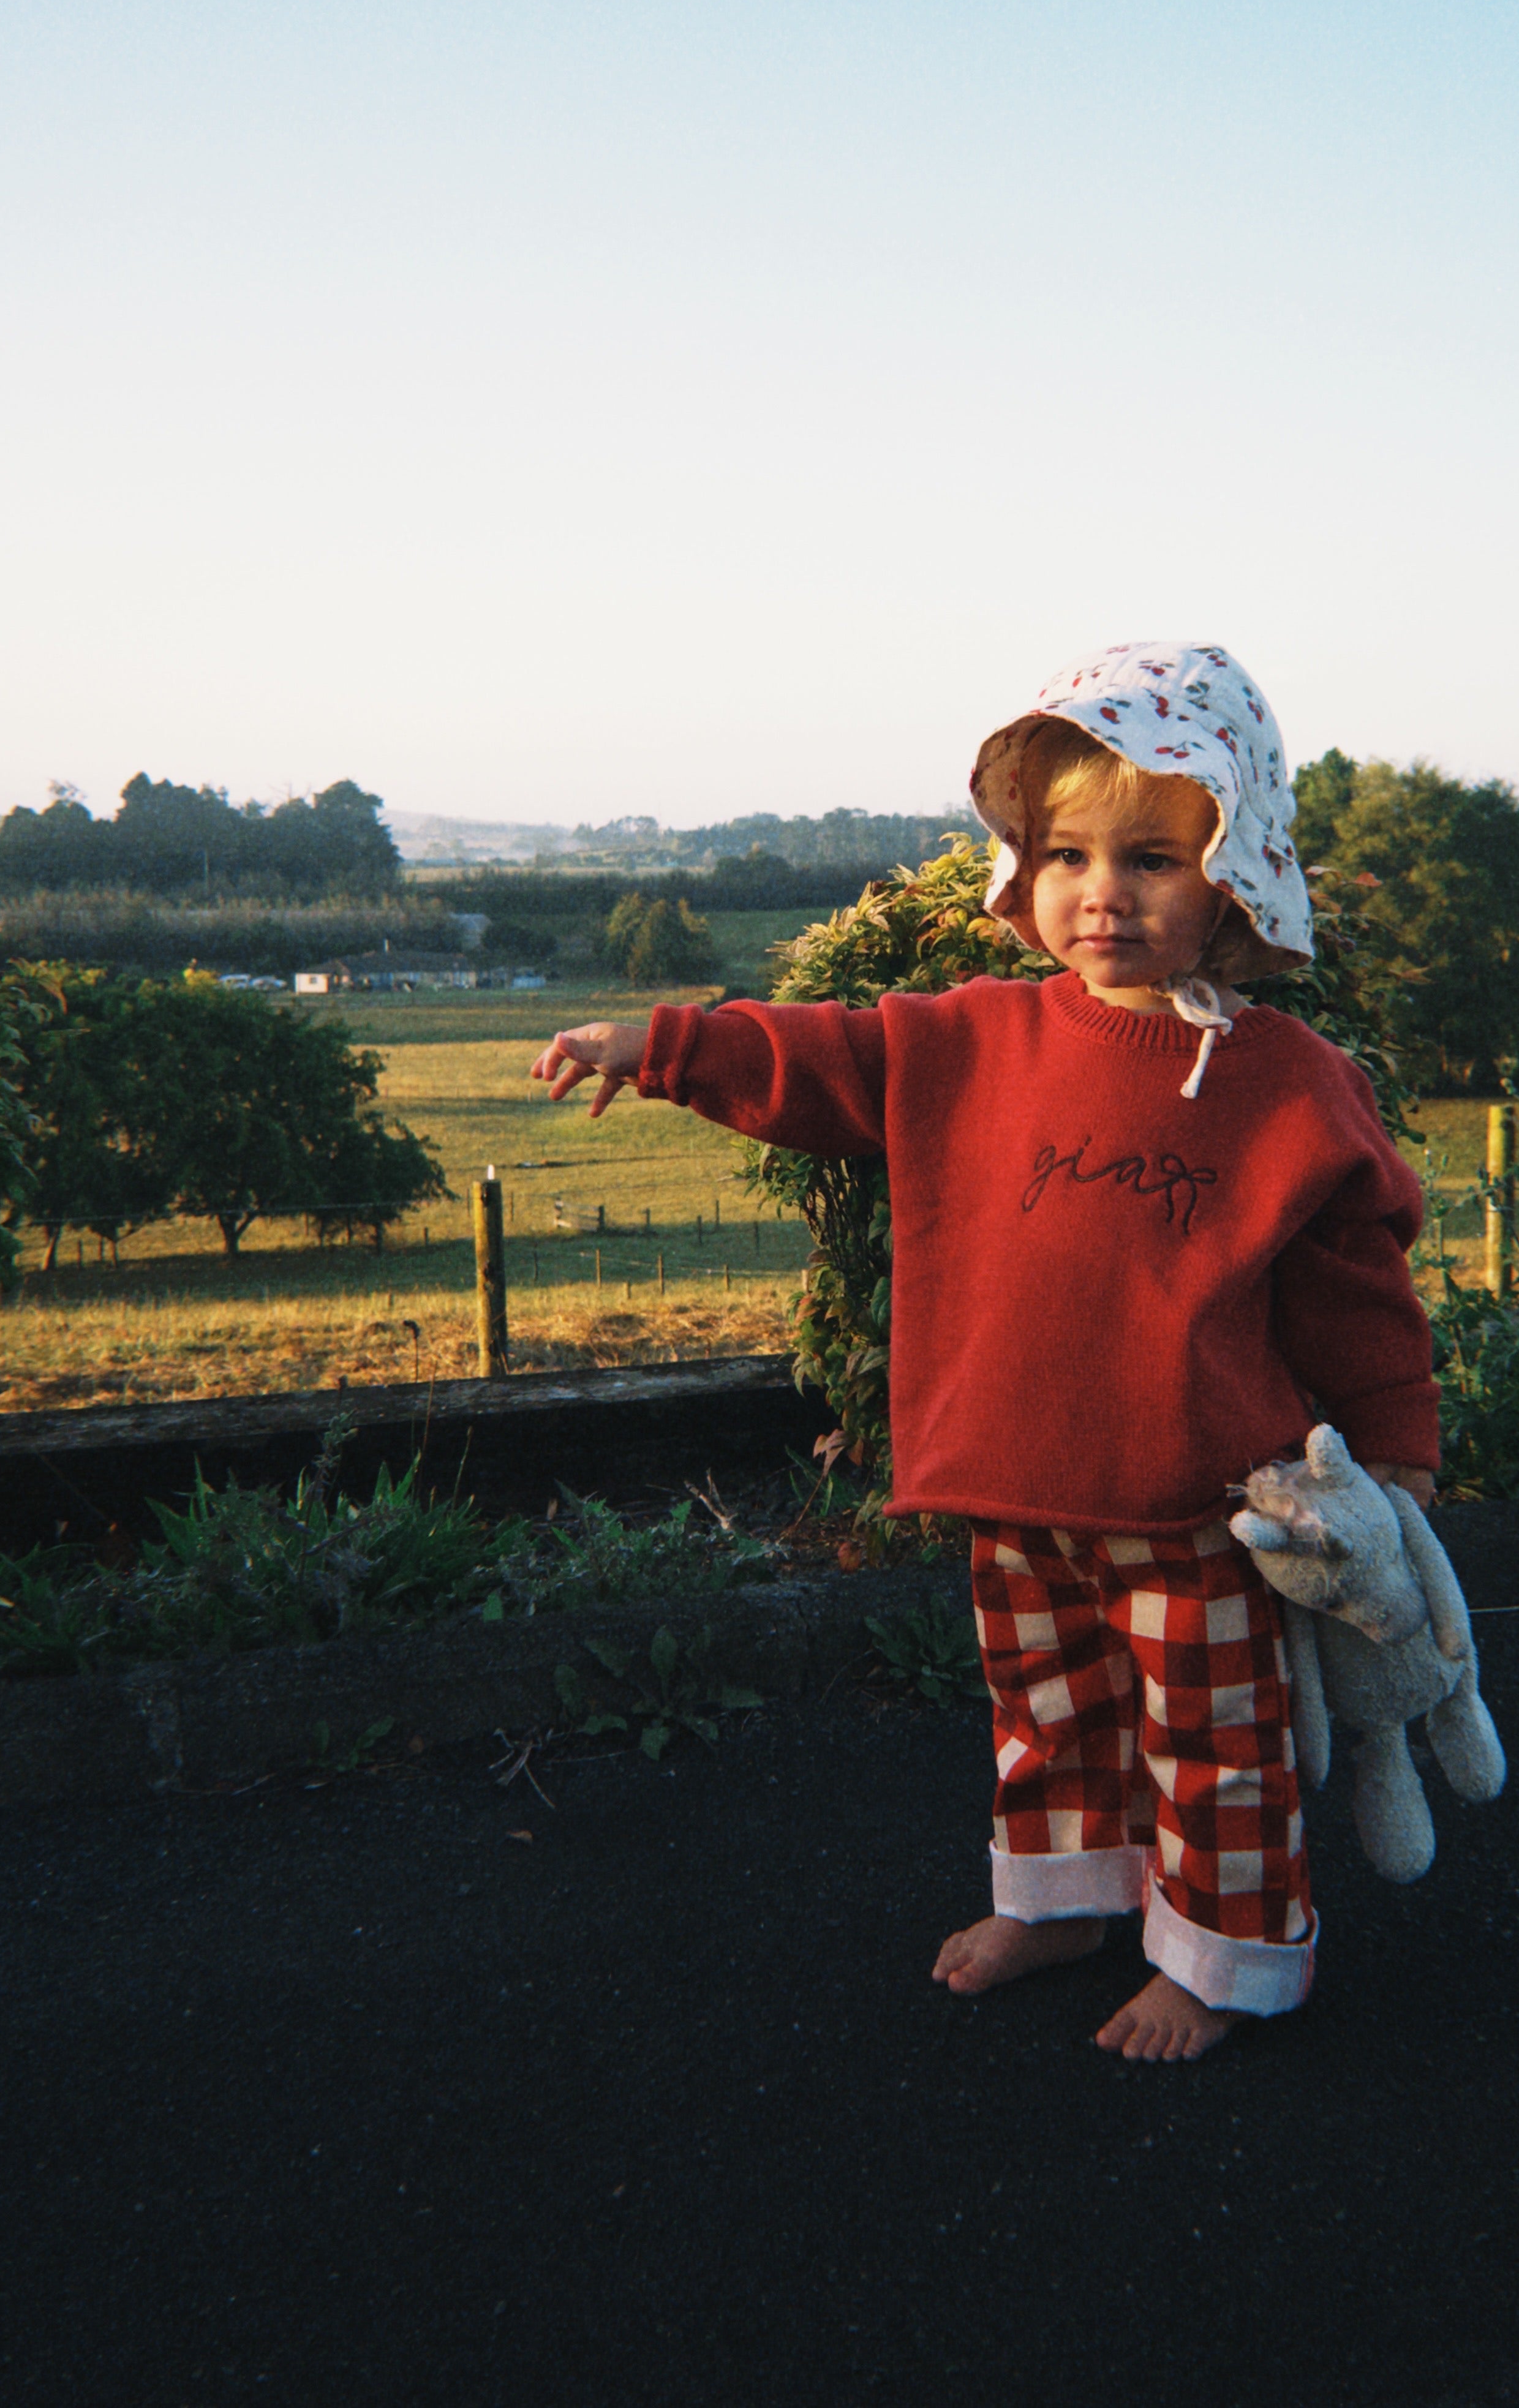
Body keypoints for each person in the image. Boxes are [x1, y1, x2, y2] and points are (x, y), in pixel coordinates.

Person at [532, 641, 1438, 2062]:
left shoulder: (1285, 1085)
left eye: (1152, 857)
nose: (1103, 891)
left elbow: (1356, 1290)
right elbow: (815, 1058)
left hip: (1196, 1503)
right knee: (1047, 1716)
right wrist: (659, 1042)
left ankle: (1229, 1957)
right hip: (1015, 1484)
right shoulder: (975, 1036)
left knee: (1216, 1745)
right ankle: (1064, 1901)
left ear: (1237, 877)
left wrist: (1397, 1448)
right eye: (1067, 852)